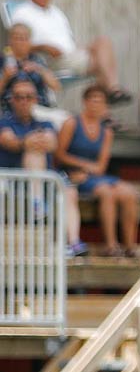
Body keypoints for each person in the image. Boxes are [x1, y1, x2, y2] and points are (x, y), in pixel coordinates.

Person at [10, 0, 128, 104]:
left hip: (69, 55)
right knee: (101, 65)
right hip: (50, 59)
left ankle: (111, 94)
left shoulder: (55, 12)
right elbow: (17, 43)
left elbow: (68, 40)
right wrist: (44, 46)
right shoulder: (23, 12)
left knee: (103, 42)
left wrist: (76, 48)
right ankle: (111, 95)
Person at [0, 79, 82, 255]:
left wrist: (29, 141)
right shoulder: (4, 122)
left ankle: (73, 243)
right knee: (33, 153)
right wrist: (26, 142)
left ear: (36, 99)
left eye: (28, 97)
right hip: (15, 181)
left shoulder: (45, 123)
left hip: (44, 180)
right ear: (11, 100)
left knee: (70, 191)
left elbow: (52, 144)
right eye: (19, 97)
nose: (24, 101)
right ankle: (37, 202)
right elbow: (9, 141)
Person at [57, 86, 140, 257]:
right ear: (85, 102)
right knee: (106, 193)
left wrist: (89, 168)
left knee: (130, 193)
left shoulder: (106, 131)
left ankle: (131, 245)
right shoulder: (72, 123)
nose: (96, 105)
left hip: (96, 175)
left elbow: (101, 165)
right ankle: (111, 245)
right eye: (93, 100)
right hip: (73, 175)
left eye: (100, 101)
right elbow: (59, 155)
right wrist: (83, 165)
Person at [3, 22, 62, 118]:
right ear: (10, 41)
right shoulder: (3, 61)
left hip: (41, 108)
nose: (20, 42)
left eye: (24, 38)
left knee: (66, 120)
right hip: (12, 111)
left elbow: (56, 86)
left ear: (30, 42)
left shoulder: (37, 60)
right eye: (17, 38)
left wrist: (39, 69)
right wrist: (5, 78)